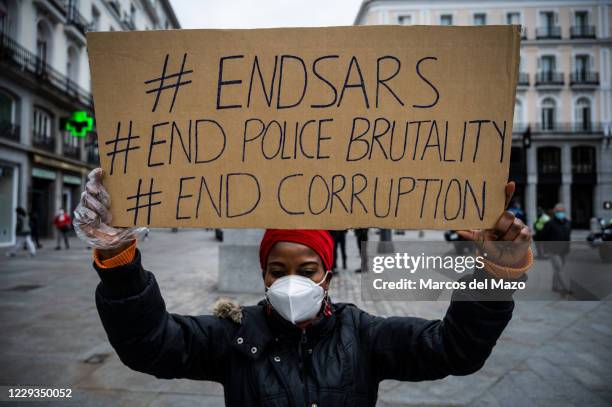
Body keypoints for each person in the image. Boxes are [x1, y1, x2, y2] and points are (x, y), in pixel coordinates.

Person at [74, 168, 533, 407]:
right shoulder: (232, 336)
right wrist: (118, 261)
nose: (291, 280)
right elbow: (150, 345)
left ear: (328, 276)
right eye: (278, 270)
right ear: (264, 276)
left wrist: (494, 273)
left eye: (308, 269)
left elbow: (455, 350)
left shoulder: (363, 335)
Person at [539, 203, 571, 296]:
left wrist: (568, 249)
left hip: (564, 251)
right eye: (558, 211)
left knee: (558, 269)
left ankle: (555, 286)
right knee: (559, 268)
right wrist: (544, 250)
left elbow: (568, 237)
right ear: (555, 212)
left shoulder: (568, 223)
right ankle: (564, 288)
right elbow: (543, 236)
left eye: (561, 211)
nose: (560, 213)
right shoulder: (549, 223)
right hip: (553, 250)